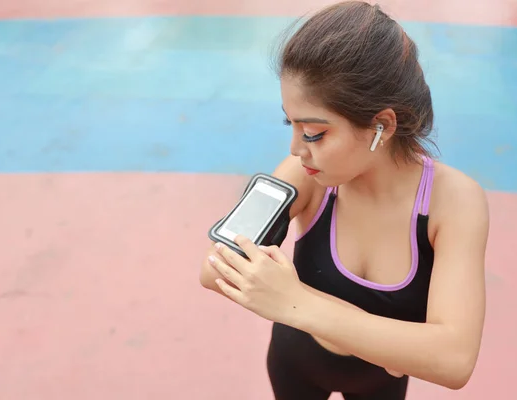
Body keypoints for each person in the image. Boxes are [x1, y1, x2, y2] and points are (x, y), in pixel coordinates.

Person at [199, 1, 489, 399]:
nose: (296, 148)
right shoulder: (308, 174)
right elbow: (215, 268)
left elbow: (453, 360)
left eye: (315, 132)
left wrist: (294, 301)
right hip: (293, 365)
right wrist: (400, 345)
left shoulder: (452, 202)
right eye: (292, 124)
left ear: (381, 126)